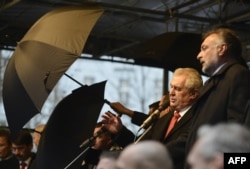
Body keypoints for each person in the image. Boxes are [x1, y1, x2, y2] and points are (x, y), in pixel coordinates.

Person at [103, 67, 203, 169]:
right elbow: (139, 147)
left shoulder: (200, 119)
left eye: (178, 89)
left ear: (193, 94)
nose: (171, 92)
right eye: (171, 87)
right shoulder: (163, 119)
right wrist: (120, 130)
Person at [185, 27, 250, 161]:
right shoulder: (213, 82)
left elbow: (239, 131)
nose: (199, 55)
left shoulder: (238, 75)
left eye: (204, 48)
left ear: (221, 49)